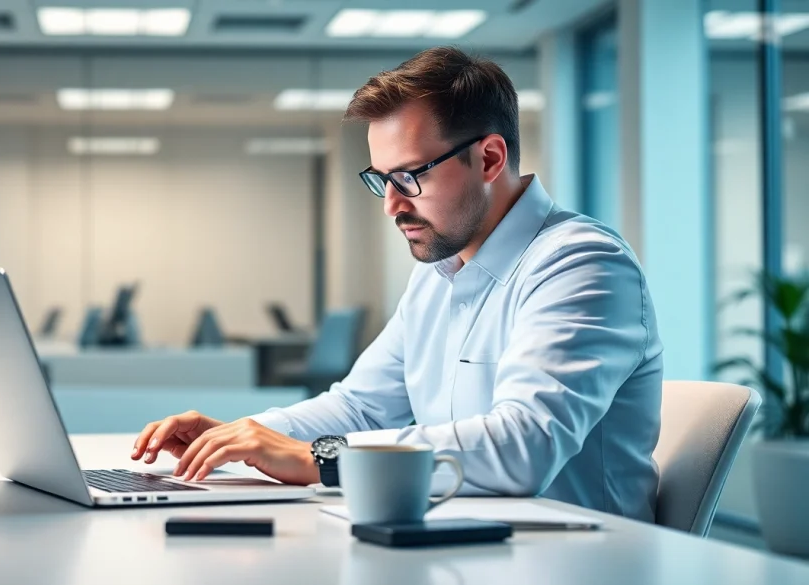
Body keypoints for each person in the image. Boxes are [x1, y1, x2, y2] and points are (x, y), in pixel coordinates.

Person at [131, 47, 664, 521]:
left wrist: (320, 460)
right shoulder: (439, 271)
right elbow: (359, 408)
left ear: (490, 158)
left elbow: (524, 445)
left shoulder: (581, 264)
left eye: (410, 176)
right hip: (468, 540)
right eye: (381, 180)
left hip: (582, 557)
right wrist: (240, 436)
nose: (392, 204)